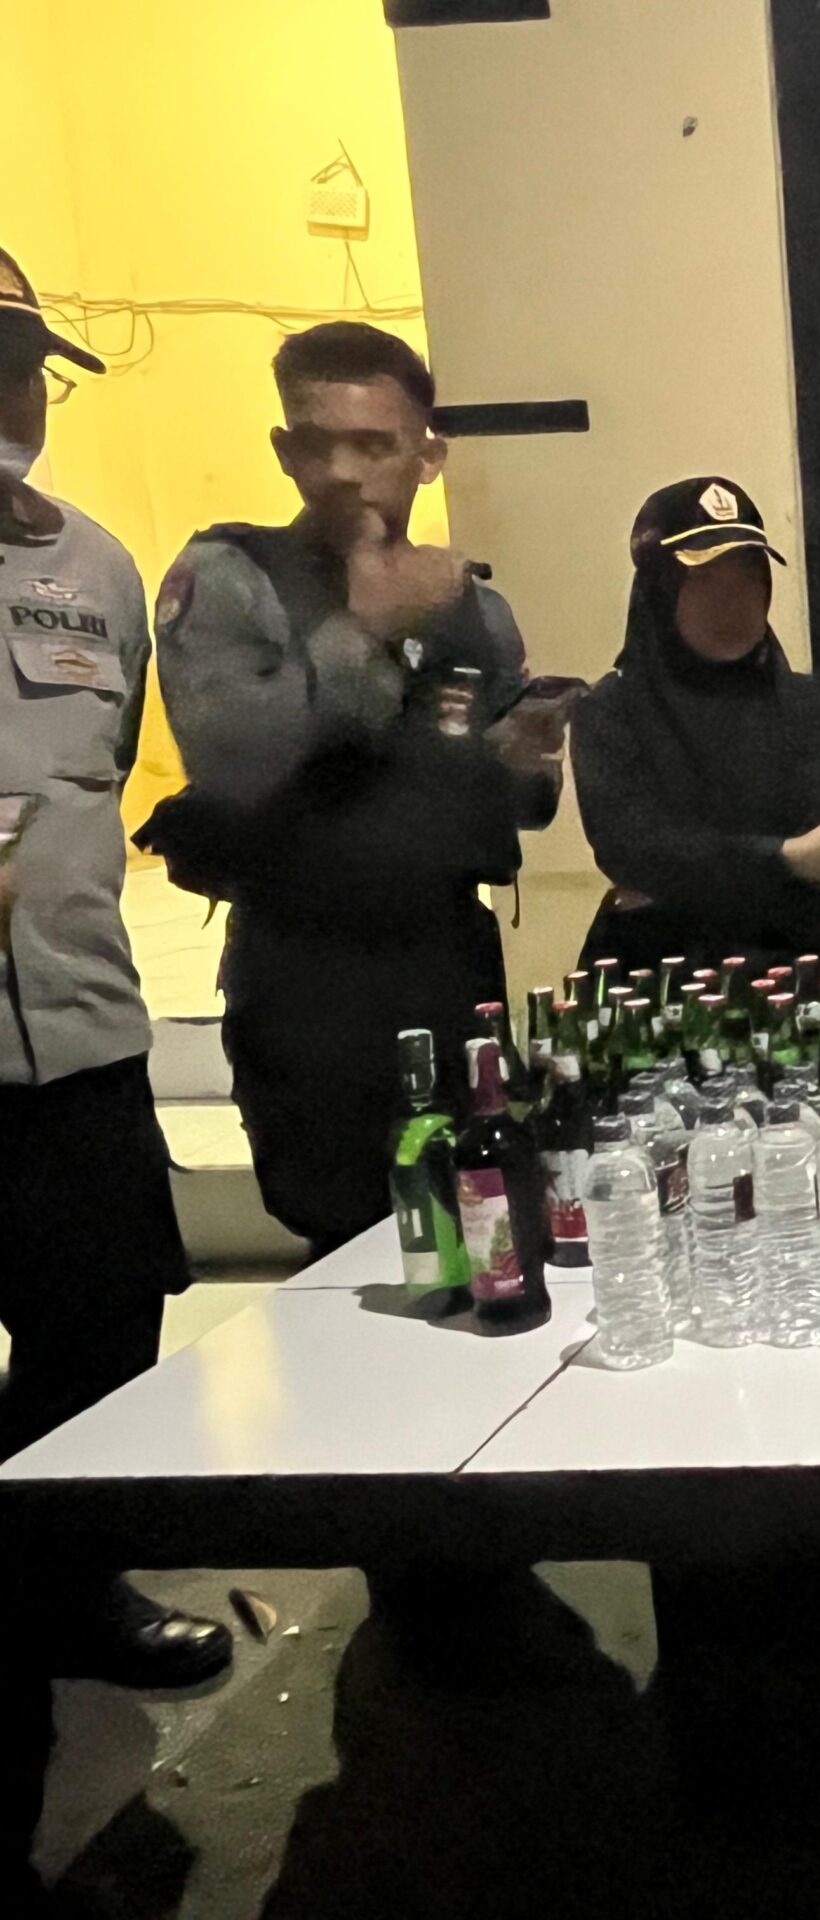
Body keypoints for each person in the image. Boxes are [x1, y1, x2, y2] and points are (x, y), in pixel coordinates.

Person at [150, 323, 563, 1254]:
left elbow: (520, 803)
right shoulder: (232, 579)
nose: (342, 471)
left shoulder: (473, 603)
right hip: (310, 981)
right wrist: (364, 627)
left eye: (374, 445)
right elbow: (235, 761)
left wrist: (525, 758)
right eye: (317, 442)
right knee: (340, 1247)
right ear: (283, 450)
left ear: (426, 456)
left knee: (484, 1230)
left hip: (445, 966)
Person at [0, 242, 229, 1900]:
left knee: (105, 1341)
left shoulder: (96, 566)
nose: (10, 394)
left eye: (20, 365)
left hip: (80, 1033)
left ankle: (65, 1591)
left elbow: (102, 770)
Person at [573, 476, 820, 973]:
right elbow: (634, 851)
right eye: (706, 578)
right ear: (660, 587)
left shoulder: (806, 703)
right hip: (658, 980)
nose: (732, 598)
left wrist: (700, 868)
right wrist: (787, 858)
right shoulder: (611, 709)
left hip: (804, 972)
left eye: (747, 576)